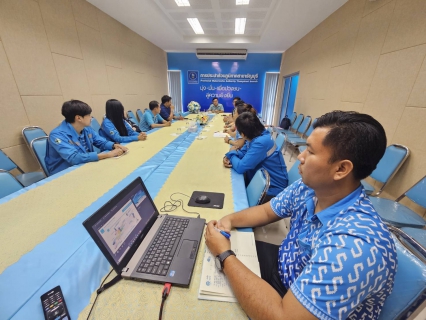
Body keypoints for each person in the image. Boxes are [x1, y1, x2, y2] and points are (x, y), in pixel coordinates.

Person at [206, 111, 397, 320]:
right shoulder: (310, 188)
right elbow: (266, 210)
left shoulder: (354, 247)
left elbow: (284, 316)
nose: (300, 157)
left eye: (311, 152)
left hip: (290, 305)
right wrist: (229, 220)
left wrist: (225, 255)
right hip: (284, 270)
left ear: (341, 168)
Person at [45, 100, 128, 175]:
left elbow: (100, 141)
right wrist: (107, 155)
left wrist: (114, 145)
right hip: (65, 173)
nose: (91, 118)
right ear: (79, 118)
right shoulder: (57, 135)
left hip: (85, 166)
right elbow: (74, 158)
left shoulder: (86, 128)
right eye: (88, 115)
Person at [223, 112, 288, 200]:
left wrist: (231, 153)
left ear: (242, 134)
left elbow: (240, 167)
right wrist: (229, 156)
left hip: (272, 190)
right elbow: (243, 153)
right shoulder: (255, 135)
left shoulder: (261, 142)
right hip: (258, 179)